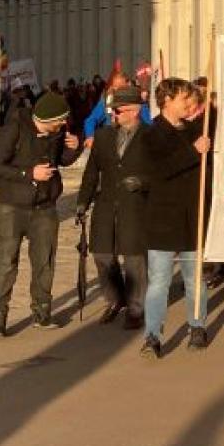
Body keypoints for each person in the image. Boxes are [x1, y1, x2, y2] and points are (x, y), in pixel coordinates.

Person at [0, 89, 83, 336]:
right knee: (6, 262)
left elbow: (61, 159)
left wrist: (74, 149)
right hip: (13, 206)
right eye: (60, 120)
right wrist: (28, 174)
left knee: (44, 260)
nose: (64, 124)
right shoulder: (14, 129)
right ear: (47, 119)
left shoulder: (57, 133)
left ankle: (42, 312)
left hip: (45, 206)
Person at [140, 77, 212, 358]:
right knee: (159, 281)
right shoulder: (151, 133)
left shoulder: (196, 128)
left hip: (192, 216)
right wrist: (193, 152)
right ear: (167, 99)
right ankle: (153, 335)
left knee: (195, 278)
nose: (188, 104)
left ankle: (197, 325)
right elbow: (159, 170)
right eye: (184, 98)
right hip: (163, 219)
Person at [76, 84, 149, 328]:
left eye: (119, 111)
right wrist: (82, 202)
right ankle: (115, 299)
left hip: (135, 206)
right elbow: (91, 172)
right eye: (113, 111)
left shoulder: (150, 136)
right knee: (103, 255)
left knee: (134, 260)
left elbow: (160, 172)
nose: (114, 115)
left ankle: (136, 308)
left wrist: (142, 181)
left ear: (135, 110)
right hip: (106, 205)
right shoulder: (104, 136)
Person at [83, 71, 152, 143]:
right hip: (110, 141)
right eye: (114, 87)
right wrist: (90, 136)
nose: (116, 90)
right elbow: (90, 120)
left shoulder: (137, 100)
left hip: (132, 141)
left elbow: (149, 124)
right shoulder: (107, 101)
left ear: (128, 84)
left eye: (119, 87)